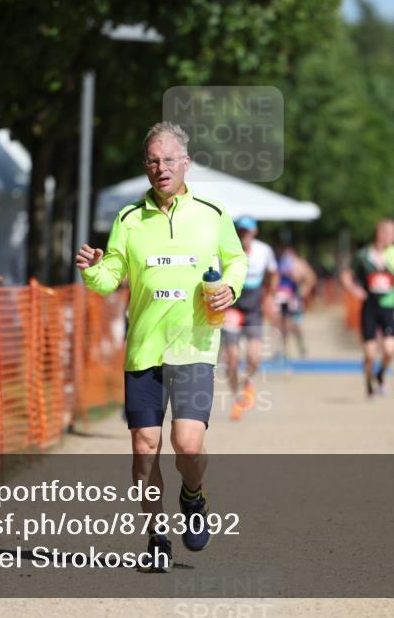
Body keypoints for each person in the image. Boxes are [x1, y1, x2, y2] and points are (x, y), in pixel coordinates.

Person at [75, 121, 247, 571]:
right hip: (145, 350)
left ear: (186, 163)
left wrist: (231, 287)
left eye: (169, 159)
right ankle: (156, 537)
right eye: (153, 160)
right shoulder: (129, 220)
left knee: (187, 446)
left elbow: (236, 260)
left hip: (194, 346)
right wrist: (94, 268)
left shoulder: (212, 213)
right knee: (144, 449)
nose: (160, 168)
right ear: (145, 167)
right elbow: (110, 276)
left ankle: (193, 496)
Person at [340, 219, 394, 398]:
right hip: (369, 307)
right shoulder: (363, 255)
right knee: (370, 354)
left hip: (388, 307)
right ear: (381, 234)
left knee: (389, 349)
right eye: (392, 233)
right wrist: (355, 290)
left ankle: (381, 373)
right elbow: (346, 276)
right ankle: (368, 382)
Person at [222, 216, 278, 421]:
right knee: (232, 357)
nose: (244, 235)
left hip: (254, 308)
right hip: (233, 307)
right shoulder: (228, 250)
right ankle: (236, 399)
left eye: (248, 231)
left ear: (254, 232)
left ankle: (249, 382)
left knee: (254, 357)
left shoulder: (264, 251)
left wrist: (270, 297)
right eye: (241, 231)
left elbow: (273, 274)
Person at [274, 244, 316, 359]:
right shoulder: (278, 262)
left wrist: (303, 292)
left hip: (294, 297)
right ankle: (284, 350)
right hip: (281, 297)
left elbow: (310, 278)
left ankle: (299, 345)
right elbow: (275, 279)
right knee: (280, 323)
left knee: (293, 324)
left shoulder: (299, 263)